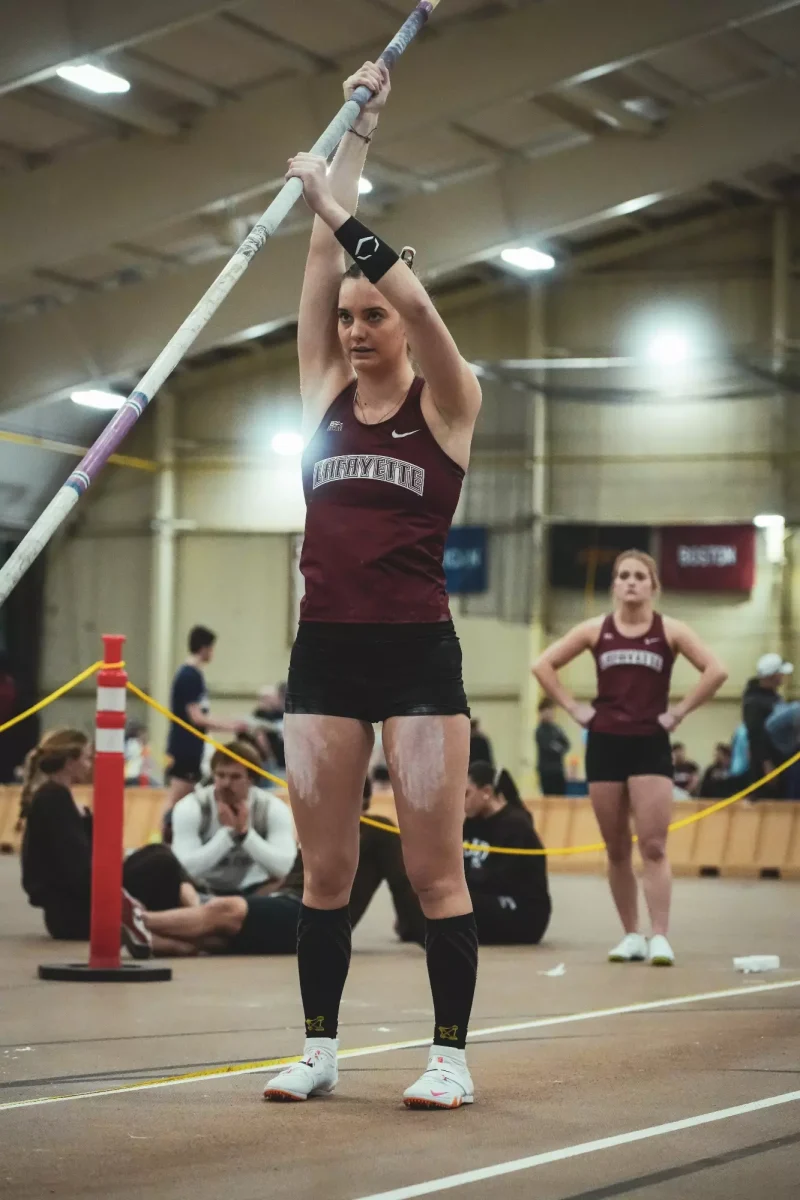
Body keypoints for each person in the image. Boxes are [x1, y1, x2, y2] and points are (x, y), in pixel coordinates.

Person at [263, 59, 483, 1110]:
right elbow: (324, 247)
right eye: (345, 317)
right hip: (325, 654)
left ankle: (448, 1055)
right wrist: (364, 122)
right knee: (324, 877)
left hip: (416, 657)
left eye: (370, 316)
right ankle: (317, 1048)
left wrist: (335, 203)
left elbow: (393, 277)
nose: (354, 328)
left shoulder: (449, 402)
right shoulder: (319, 397)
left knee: (436, 875)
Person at [532, 549, 727, 967]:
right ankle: (630, 934)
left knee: (653, 846)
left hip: (649, 743)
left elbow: (716, 671)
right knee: (616, 846)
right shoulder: (595, 630)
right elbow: (543, 665)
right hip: (604, 743)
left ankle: (659, 936)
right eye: (624, 575)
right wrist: (574, 708)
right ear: (614, 585)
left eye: (640, 575)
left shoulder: (670, 630)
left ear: (653, 586)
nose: (632, 582)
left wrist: (678, 712)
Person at [19, 728, 194, 949]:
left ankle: (185, 914)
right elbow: (78, 870)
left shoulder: (59, 797)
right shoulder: (53, 798)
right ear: (70, 762)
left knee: (158, 851)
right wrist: (122, 898)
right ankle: (177, 922)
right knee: (162, 862)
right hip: (75, 912)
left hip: (75, 903)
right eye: (86, 758)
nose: (89, 763)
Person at [171, 742, 297, 897]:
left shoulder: (272, 807)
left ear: (251, 779)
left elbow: (285, 868)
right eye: (220, 775)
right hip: (203, 891)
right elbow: (185, 868)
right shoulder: (191, 806)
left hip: (255, 892)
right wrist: (228, 833)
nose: (225, 783)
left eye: (235, 777)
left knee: (289, 884)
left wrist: (245, 834)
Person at [165, 626, 246, 824]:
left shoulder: (193, 675)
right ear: (204, 648)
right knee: (177, 797)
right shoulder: (190, 676)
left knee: (185, 796)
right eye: (212, 648)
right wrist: (231, 726)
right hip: (186, 745)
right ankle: (161, 839)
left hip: (191, 745)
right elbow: (197, 717)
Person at [464, 763, 551, 945]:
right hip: (485, 899)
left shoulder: (516, 825)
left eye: (466, 794)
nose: (460, 802)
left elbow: (500, 877)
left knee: (455, 903)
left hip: (522, 910)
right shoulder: (471, 824)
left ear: (487, 792)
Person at [742, 653, 793, 798]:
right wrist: (766, 764)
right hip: (765, 766)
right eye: (780, 673)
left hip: (780, 760)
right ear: (772, 675)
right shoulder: (754, 702)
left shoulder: (775, 698)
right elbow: (755, 734)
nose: (783, 676)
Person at [535, 699, 570, 796]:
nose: (549, 713)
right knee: (548, 798)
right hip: (546, 771)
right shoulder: (540, 731)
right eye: (546, 710)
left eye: (550, 710)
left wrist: (556, 746)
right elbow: (547, 747)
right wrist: (557, 746)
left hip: (558, 770)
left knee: (561, 798)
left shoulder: (557, 729)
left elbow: (566, 745)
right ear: (541, 713)